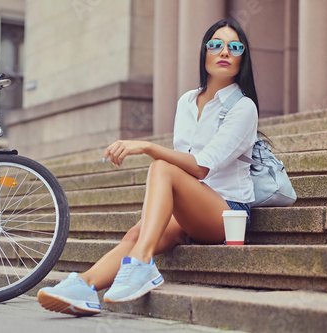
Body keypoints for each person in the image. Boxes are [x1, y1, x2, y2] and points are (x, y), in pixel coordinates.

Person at [37, 18, 259, 316]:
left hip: (227, 212)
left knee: (161, 167)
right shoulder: (187, 101)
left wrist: (147, 146)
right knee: (135, 233)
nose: (224, 52)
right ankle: (85, 287)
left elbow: (202, 168)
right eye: (216, 45)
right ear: (204, 53)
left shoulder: (243, 107)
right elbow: (187, 163)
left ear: (242, 58)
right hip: (192, 207)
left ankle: (141, 264)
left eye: (235, 47)